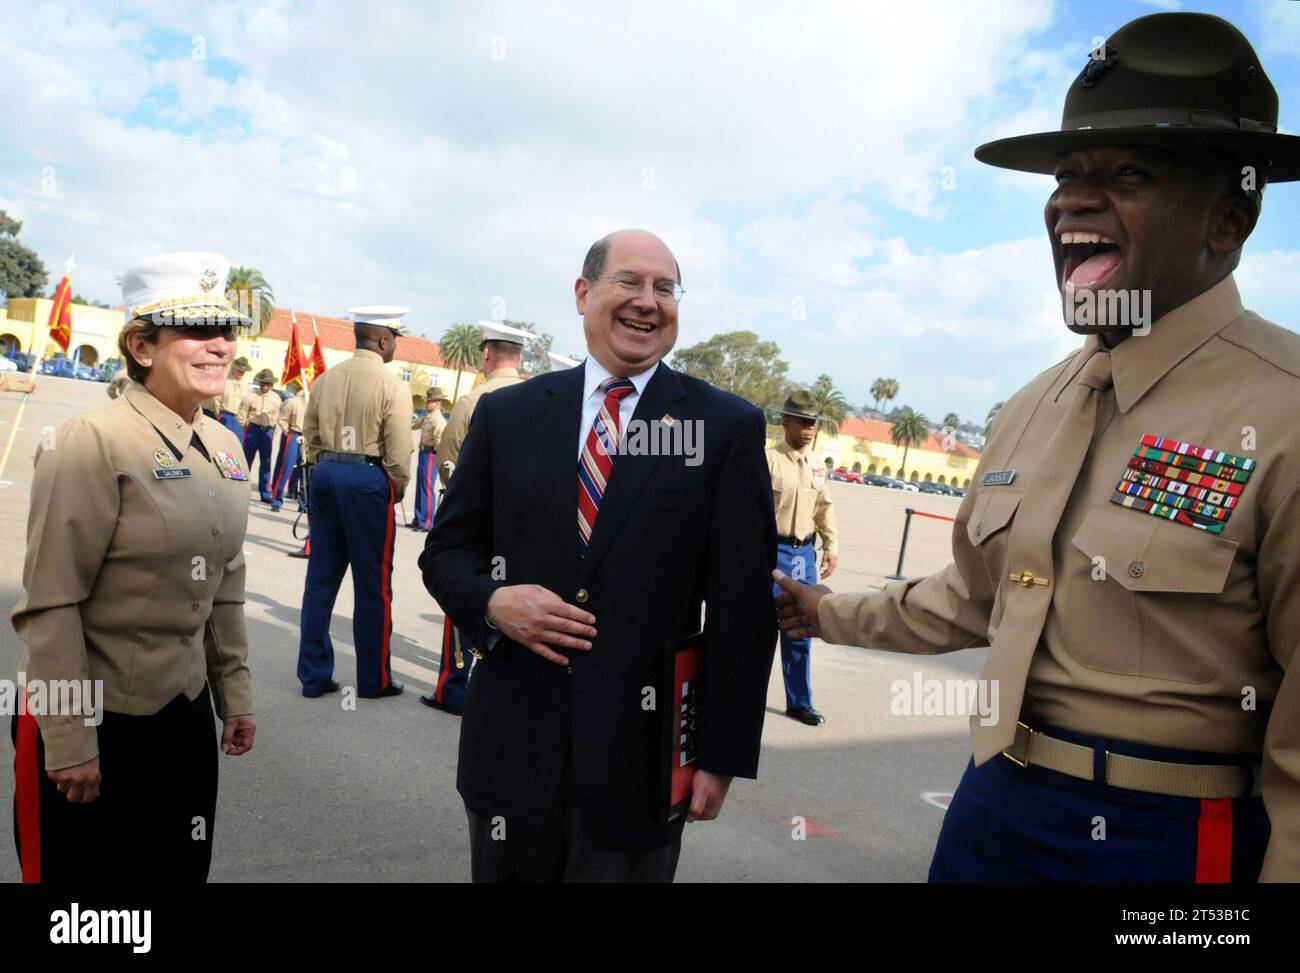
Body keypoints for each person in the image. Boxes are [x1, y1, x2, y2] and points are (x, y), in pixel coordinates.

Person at [776, 12, 1300, 882]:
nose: (1069, 203)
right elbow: (971, 599)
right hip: (994, 803)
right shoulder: (1033, 404)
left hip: (1168, 839)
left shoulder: (1283, 411)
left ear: (1227, 218)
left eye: (1127, 173)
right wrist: (823, 608)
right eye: (1064, 178)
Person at [422, 229, 776, 881]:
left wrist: (719, 756)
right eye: (630, 282)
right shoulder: (509, 416)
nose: (648, 301)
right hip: (512, 753)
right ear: (584, 293)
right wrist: (495, 602)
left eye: (665, 288)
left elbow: (743, 608)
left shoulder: (724, 428)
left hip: (640, 768)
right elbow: (446, 552)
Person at [10, 251, 256, 883]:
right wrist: (68, 741)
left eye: (225, 331)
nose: (219, 346)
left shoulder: (225, 446)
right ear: (142, 346)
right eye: (196, 331)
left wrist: (236, 695)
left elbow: (226, 586)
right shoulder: (90, 442)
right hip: (95, 718)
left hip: (183, 715)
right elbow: (50, 602)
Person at [297, 305, 412, 699]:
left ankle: (313, 676)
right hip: (367, 477)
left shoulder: (326, 378)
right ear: (383, 339)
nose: (396, 345)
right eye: (396, 338)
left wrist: (321, 466)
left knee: (321, 579)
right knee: (373, 584)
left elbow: (309, 433)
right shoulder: (391, 384)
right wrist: (393, 487)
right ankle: (373, 680)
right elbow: (399, 451)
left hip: (326, 472)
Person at [420, 322, 527, 715]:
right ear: (520, 358)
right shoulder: (541, 400)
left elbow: (448, 463)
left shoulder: (474, 400)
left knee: (465, 593)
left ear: (485, 354)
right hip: (523, 528)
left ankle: (454, 685)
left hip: (478, 523)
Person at [766, 389, 837, 726]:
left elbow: (825, 507)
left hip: (804, 554)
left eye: (813, 422)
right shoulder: (768, 460)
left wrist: (831, 545)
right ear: (786, 422)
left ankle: (799, 702)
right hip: (772, 552)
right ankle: (746, 697)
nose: (809, 428)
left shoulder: (817, 466)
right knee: (761, 628)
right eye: (803, 421)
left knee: (801, 629)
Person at [239, 368, 281, 503]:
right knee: (246, 461)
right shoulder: (251, 396)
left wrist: (272, 429)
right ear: (260, 383)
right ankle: (241, 488)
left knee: (265, 463)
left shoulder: (276, 398)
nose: (265, 386)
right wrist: (245, 425)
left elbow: (277, 415)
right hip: (253, 430)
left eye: (268, 384)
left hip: (267, 432)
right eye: (263, 383)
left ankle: (265, 493)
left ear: (271, 385)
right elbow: (242, 413)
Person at [409, 386, 448, 532]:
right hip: (423, 453)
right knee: (421, 486)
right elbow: (413, 424)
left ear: (437, 403)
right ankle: (418, 518)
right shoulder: (428, 417)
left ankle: (427, 522)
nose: (426, 404)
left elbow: (439, 440)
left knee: (427, 487)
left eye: (429, 401)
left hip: (431, 454)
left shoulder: (438, 420)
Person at [270, 378, 306, 512]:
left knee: (304, 472)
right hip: (294, 434)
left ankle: (303, 504)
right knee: (286, 468)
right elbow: (282, 420)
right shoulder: (293, 402)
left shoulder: (315, 403)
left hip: (306, 438)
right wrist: (288, 433)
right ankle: (277, 500)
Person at [209, 356, 251, 436]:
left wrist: (245, 422)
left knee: (237, 445)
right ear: (234, 368)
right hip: (225, 416)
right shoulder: (225, 382)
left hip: (239, 420)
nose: (241, 373)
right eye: (239, 370)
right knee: (221, 442)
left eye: (243, 371)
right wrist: (218, 415)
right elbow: (217, 400)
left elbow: (249, 406)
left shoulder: (247, 388)